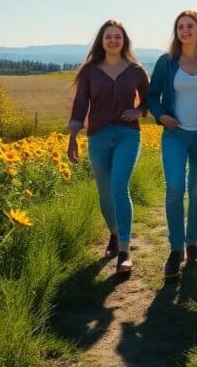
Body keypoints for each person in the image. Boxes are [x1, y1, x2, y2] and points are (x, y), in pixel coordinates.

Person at [67, 20, 149, 274]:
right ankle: (114, 232)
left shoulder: (136, 70)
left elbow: (150, 99)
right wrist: (72, 138)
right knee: (104, 194)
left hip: (127, 135)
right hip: (98, 137)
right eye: (108, 37)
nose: (113, 41)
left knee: (118, 187)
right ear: (101, 41)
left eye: (118, 37)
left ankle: (124, 250)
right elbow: (80, 104)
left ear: (124, 41)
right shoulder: (90, 71)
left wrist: (139, 110)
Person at [147, 10, 197, 279]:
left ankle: (192, 243)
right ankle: (175, 248)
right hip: (174, 134)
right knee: (175, 188)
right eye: (180, 27)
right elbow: (152, 95)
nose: (185, 31)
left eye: (190, 26)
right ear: (176, 32)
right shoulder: (166, 62)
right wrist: (161, 116)